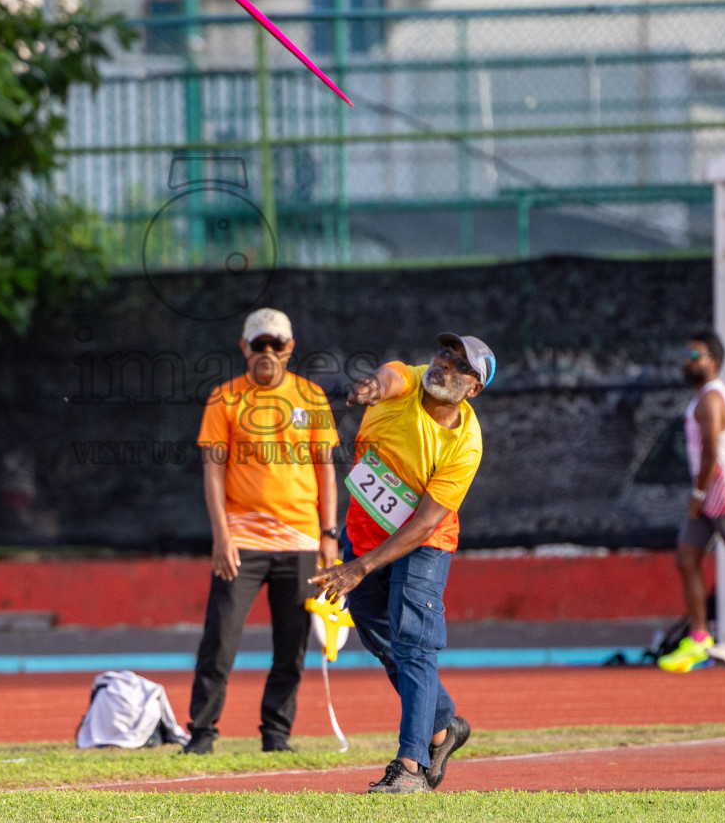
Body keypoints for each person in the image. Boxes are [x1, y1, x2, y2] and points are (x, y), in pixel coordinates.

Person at [311, 333, 494, 795]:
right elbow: (388, 377)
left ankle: (410, 767)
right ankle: (443, 727)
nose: (446, 364)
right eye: (445, 353)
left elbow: (424, 524)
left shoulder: (465, 444)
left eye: (461, 365)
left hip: (424, 545)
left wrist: (358, 568)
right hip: (365, 535)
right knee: (379, 635)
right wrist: (370, 387)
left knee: (414, 645)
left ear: (474, 388)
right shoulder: (410, 380)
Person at [182, 308, 339, 756]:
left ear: (290, 348)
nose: (266, 352)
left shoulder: (311, 398)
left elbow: (325, 470)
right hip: (241, 542)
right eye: (258, 344)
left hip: (302, 541)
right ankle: (202, 734)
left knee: (291, 647)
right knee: (220, 641)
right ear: (244, 349)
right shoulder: (224, 398)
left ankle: (276, 735)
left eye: (275, 344)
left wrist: (329, 535)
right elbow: (212, 473)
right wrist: (221, 536)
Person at [657, 331, 725, 673]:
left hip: (721, 491)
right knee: (687, 559)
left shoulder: (713, 398)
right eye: (686, 353)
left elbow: (716, 449)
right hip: (707, 490)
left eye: (695, 355)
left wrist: (700, 494)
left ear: (713, 362)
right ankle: (700, 638)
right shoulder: (710, 395)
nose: (687, 360)